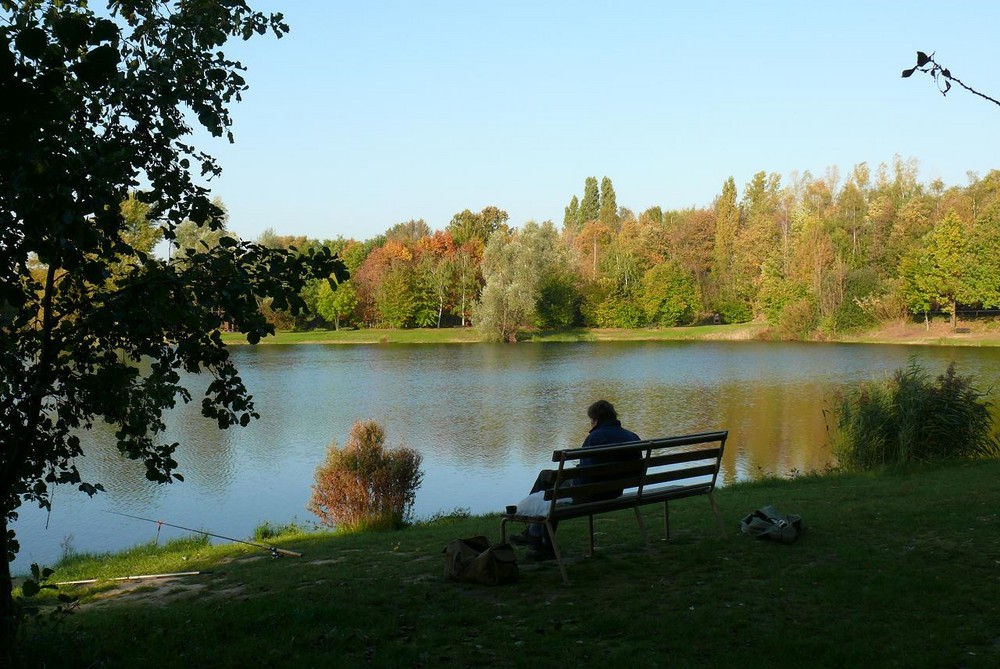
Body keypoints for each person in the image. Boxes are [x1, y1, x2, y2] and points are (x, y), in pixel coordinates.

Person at [510, 399, 641, 561]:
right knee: (552, 479)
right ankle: (533, 533)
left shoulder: (595, 438)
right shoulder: (632, 436)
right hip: (614, 491)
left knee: (547, 481)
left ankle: (538, 538)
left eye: (591, 421)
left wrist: (570, 482)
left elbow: (584, 480)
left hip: (589, 495)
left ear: (596, 420)